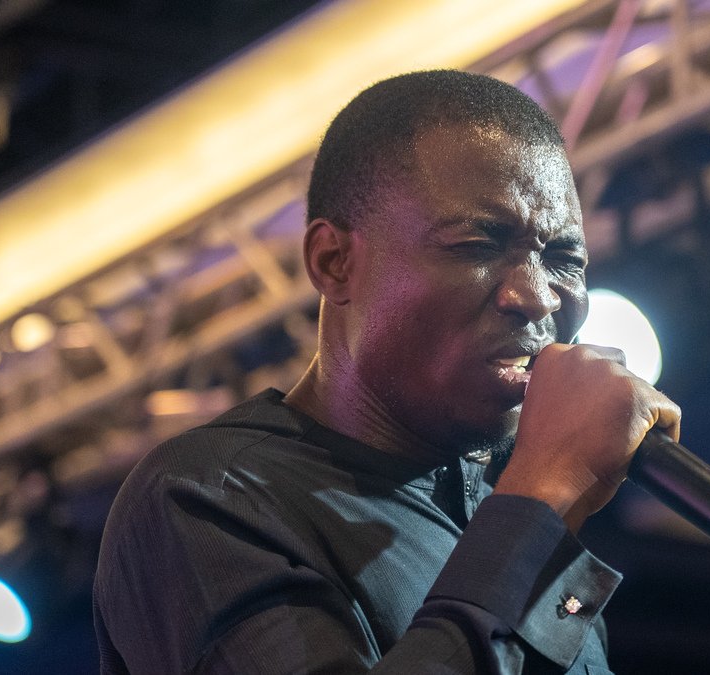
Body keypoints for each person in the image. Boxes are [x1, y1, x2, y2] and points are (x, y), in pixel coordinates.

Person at [93, 69, 680, 674]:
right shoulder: (210, 496)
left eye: (563, 258)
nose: (537, 297)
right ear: (333, 262)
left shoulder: (512, 527)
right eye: (476, 245)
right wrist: (543, 501)